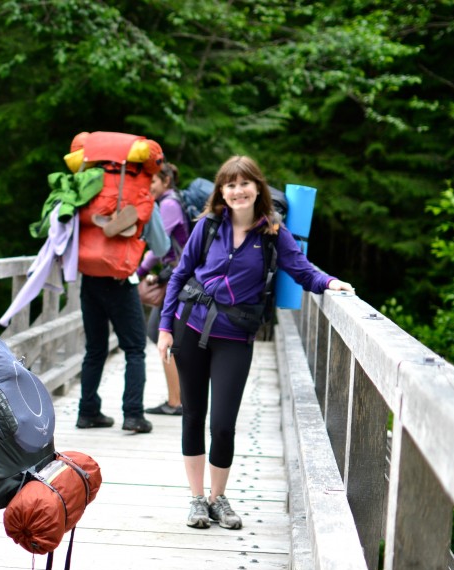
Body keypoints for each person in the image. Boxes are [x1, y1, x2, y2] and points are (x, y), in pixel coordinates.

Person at [156, 156, 354, 530]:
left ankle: (219, 498)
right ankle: (198, 499)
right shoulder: (208, 226)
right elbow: (181, 274)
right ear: (222, 192)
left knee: (224, 423)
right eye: (230, 185)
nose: (237, 191)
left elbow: (301, 269)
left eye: (244, 183)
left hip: (234, 337)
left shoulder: (274, 233)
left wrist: (330, 283)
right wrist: (165, 328)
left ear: (258, 188)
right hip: (190, 327)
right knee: (194, 415)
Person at [136, 162, 190, 417]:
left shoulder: (168, 205)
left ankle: (176, 401)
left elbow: (157, 247)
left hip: (180, 281)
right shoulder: (172, 201)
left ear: (166, 181)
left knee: (161, 336)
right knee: (164, 336)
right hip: (178, 277)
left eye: (153, 182)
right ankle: (179, 397)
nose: (149, 187)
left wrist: (137, 273)